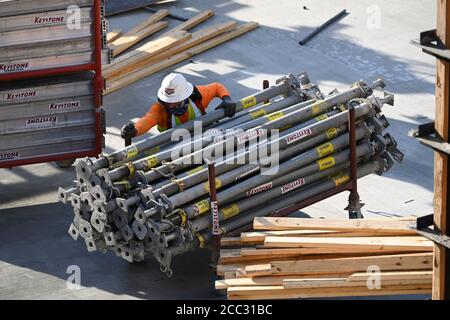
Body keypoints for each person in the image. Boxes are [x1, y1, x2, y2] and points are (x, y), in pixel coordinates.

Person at [121, 73, 237, 139]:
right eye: (168, 102)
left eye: (175, 102)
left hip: (204, 137)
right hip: (174, 147)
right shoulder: (160, 109)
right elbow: (147, 120)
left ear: (185, 97)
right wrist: (134, 130)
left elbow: (216, 87)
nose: (170, 105)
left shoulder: (196, 96)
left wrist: (226, 98)